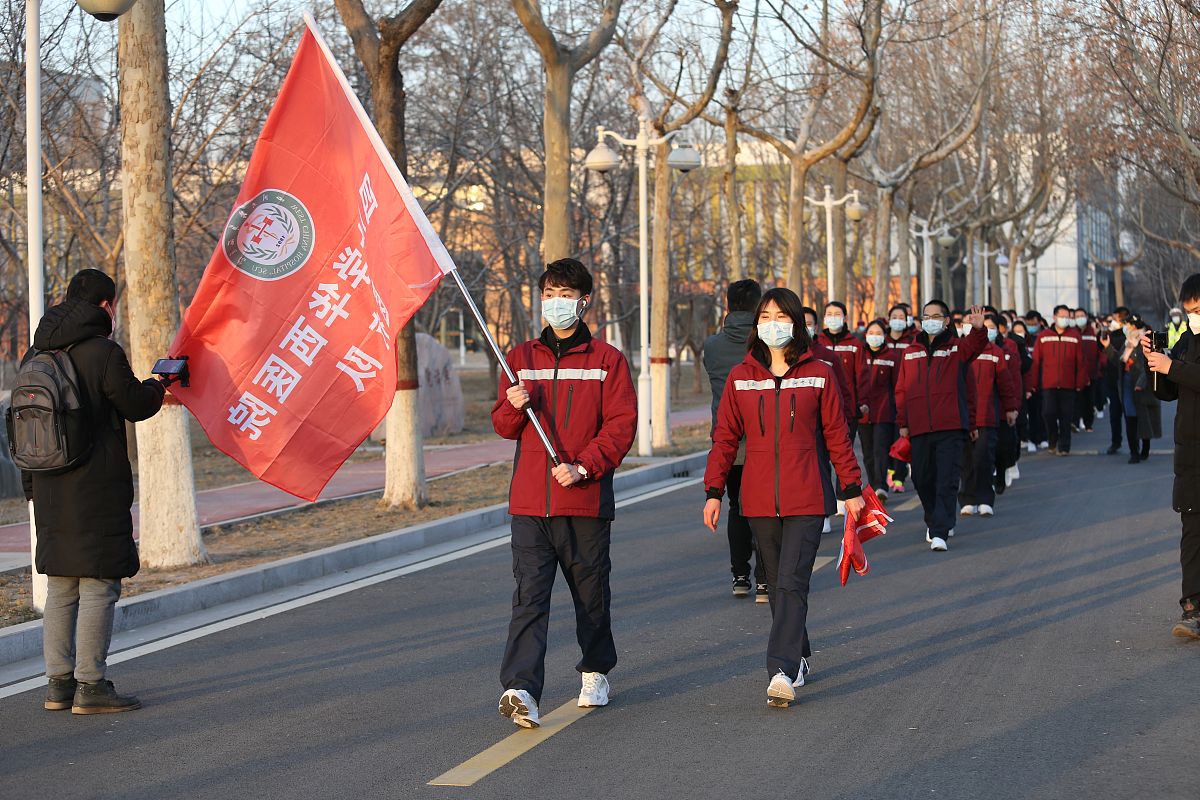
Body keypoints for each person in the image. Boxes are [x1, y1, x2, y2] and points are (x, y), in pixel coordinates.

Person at [492, 258, 637, 729]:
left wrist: (583, 467)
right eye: (550, 293)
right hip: (531, 503)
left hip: (584, 501)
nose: (557, 302)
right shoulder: (519, 358)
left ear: (584, 300)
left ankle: (595, 670)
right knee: (529, 598)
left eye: (565, 294)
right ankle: (520, 688)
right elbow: (503, 425)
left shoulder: (607, 361)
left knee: (590, 596)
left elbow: (620, 426)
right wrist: (514, 408)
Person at [703, 287, 866, 707]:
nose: (772, 324)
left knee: (792, 582)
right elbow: (725, 438)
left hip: (807, 496)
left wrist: (851, 489)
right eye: (765, 316)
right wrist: (714, 490)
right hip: (758, 499)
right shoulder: (742, 377)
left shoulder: (820, 373)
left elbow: (836, 436)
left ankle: (781, 669)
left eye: (780, 317)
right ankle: (800, 653)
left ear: (795, 323)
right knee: (776, 585)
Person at [19, 269, 168, 715]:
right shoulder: (103, 352)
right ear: (106, 306)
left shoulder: (35, 353)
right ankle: (92, 686)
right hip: (94, 488)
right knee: (100, 584)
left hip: (47, 487)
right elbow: (136, 406)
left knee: (62, 586)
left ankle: (58, 684)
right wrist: (158, 386)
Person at [895, 301, 988, 551]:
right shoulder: (911, 351)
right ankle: (934, 518)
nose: (931, 320)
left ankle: (940, 531)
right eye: (927, 316)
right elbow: (902, 389)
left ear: (947, 320)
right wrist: (903, 422)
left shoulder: (957, 348)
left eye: (936, 316)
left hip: (950, 426)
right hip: (919, 427)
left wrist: (978, 329)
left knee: (946, 479)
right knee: (923, 479)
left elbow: (975, 346)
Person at [703, 279, 768, 602]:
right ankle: (766, 580)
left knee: (736, 508)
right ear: (759, 307)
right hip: (763, 441)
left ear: (728, 306)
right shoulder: (764, 345)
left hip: (728, 443)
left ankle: (740, 575)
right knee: (766, 511)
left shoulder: (712, 346)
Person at [1145, 275, 1200, 639]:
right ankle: (1193, 607)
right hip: (1190, 452)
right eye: (1189, 311)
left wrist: (1173, 367)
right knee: (1192, 531)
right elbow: (1168, 392)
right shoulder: (1187, 342)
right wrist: (1154, 360)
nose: (1192, 316)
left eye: (1197, 310)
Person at [960, 314, 1020, 517]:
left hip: (987, 415)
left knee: (984, 458)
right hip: (962, 416)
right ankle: (968, 498)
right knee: (966, 459)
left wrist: (1011, 408)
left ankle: (985, 499)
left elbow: (1005, 383)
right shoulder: (957, 352)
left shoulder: (995, 352)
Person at [1030, 305, 1087, 455]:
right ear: (1054, 317)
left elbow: (1080, 362)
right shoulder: (1043, 336)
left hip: (1069, 384)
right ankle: (1052, 439)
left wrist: (1080, 382)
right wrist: (1033, 384)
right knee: (1048, 413)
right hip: (1049, 384)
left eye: (1067, 316)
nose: (1065, 319)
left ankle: (1064, 446)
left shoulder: (1075, 336)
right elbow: (1036, 361)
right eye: (1062, 316)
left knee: (1066, 416)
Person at [859, 319, 899, 501]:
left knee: (880, 449)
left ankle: (881, 485)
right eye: (871, 333)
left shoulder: (891, 357)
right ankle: (874, 483)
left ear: (884, 336)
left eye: (878, 333)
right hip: (863, 412)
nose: (874, 337)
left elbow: (898, 385)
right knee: (867, 452)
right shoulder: (860, 354)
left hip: (884, 411)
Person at [1116, 320, 1161, 463]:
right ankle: (1133, 452)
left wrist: (1141, 382)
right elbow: (1118, 361)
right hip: (1127, 384)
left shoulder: (1148, 341)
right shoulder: (1127, 342)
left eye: (1130, 326)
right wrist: (1107, 348)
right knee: (1130, 417)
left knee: (1144, 419)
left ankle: (1145, 449)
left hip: (1142, 387)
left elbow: (1149, 364)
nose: (1128, 328)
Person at [884, 305, 915, 494]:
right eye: (893, 316)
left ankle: (899, 476)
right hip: (884, 399)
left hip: (905, 396)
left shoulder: (912, 341)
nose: (897, 319)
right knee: (885, 438)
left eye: (900, 316)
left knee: (902, 436)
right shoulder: (882, 340)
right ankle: (889, 469)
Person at [1100, 315, 1128, 455]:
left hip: (1128, 382)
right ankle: (1115, 442)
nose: (1112, 323)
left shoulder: (1130, 337)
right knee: (1114, 415)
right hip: (1112, 381)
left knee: (1131, 415)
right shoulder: (1107, 336)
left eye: (1115, 320)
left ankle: (1135, 445)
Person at [1075, 308, 1101, 433]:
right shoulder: (1073, 333)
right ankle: (1076, 421)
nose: (1079, 318)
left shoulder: (1093, 332)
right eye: (1077, 316)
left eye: (1081, 315)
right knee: (1076, 399)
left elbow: (1100, 352)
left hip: (1091, 372)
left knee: (1089, 400)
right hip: (1075, 373)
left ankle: (1088, 423)